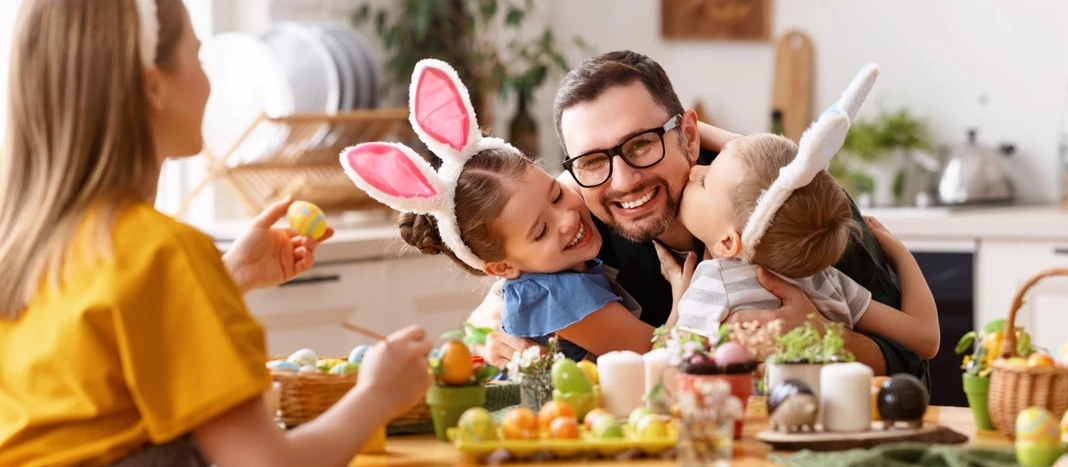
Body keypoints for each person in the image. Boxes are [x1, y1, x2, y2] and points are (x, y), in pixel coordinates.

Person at [0, 1, 431, 465]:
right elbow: (264, 464)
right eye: (198, 58)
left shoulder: (26, 245)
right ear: (154, 86)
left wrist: (223, 281)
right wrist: (378, 396)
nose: (209, 83)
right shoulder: (161, 251)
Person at [468, 50, 929, 386]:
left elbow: (917, 366)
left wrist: (827, 337)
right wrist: (491, 331)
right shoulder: (581, 223)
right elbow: (504, 288)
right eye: (591, 161)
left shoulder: (797, 208)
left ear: (689, 136)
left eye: (642, 143)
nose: (624, 180)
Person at [341, 59, 671, 362]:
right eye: (541, 231)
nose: (569, 218)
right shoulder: (557, 294)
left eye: (556, 195)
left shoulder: (554, 258)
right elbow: (660, 351)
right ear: (501, 266)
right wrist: (686, 289)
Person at [676, 130, 940, 360]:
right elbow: (926, 339)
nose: (694, 170)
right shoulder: (829, 283)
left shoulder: (712, 284)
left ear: (728, 242)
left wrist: (680, 298)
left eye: (703, 182)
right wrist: (902, 256)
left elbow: (672, 370)